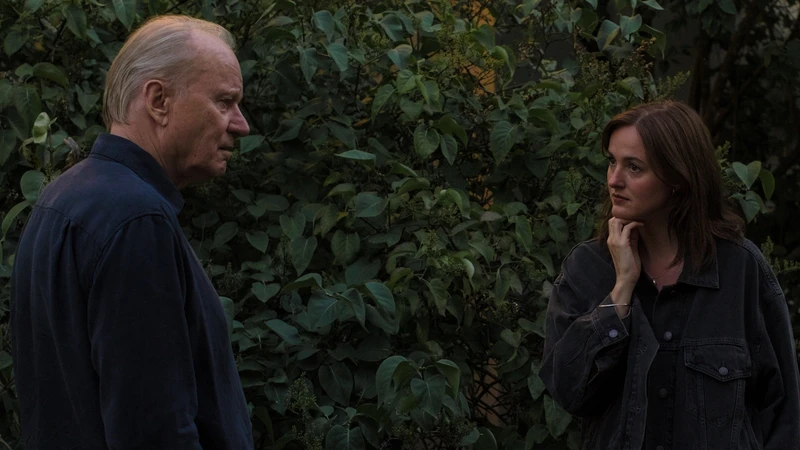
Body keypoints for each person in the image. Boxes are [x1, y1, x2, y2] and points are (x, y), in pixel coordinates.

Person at [11, 15, 253, 449]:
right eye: (224, 102)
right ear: (159, 100)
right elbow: (154, 429)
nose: (241, 125)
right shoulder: (136, 219)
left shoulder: (62, 198)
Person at [539, 101, 800, 449]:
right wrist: (621, 289)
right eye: (612, 162)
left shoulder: (740, 269)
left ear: (677, 178)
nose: (614, 180)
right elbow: (568, 391)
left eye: (634, 167)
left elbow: (784, 412)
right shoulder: (587, 268)